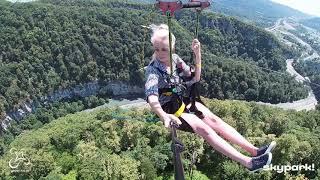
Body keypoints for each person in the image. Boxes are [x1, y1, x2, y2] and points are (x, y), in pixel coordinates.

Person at [144, 24, 276, 172]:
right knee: (205, 130)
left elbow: (195, 77)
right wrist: (163, 115)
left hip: (182, 99)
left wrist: (198, 54)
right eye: (157, 49)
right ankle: (249, 163)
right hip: (170, 109)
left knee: (215, 121)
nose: (160, 53)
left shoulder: (175, 59)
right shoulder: (153, 70)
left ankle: (255, 151)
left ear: (172, 48)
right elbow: (151, 96)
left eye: (164, 49)